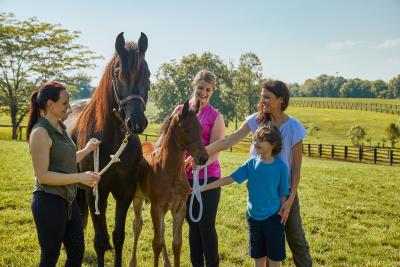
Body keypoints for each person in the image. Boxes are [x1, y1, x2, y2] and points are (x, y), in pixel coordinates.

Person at [190, 79, 312, 267]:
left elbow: (296, 168)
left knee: (296, 239)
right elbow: (228, 141)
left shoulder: (294, 127)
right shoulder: (256, 120)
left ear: (280, 99)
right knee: (260, 246)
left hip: (284, 193)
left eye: (267, 97)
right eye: (261, 96)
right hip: (260, 194)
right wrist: (201, 153)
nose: (262, 100)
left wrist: (289, 199)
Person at [27, 81, 101, 267]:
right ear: (50, 104)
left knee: (76, 254)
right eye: (64, 103)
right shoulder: (40, 133)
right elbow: (43, 175)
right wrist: (79, 177)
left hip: (69, 201)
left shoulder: (61, 128)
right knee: (50, 258)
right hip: (49, 202)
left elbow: (66, 160)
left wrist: (87, 149)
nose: (68, 107)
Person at [201, 124, 289, 267]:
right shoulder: (251, 163)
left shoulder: (281, 167)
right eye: (255, 139)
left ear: (273, 144)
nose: (256, 143)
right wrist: (204, 188)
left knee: (274, 259)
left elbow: (284, 193)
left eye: (261, 140)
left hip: (273, 219)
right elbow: (230, 178)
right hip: (253, 218)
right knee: (258, 257)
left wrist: (281, 212)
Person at [167, 70, 225, 267]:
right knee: (192, 224)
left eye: (208, 89)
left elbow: (216, 150)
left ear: (212, 91)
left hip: (209, 177)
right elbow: (169, 140)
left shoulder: (216, 117)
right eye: (200, 88)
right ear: (194, 86)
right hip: (184, 178)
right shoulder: (180, 110)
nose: (203, 92)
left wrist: (198, 163)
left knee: (206, 225)